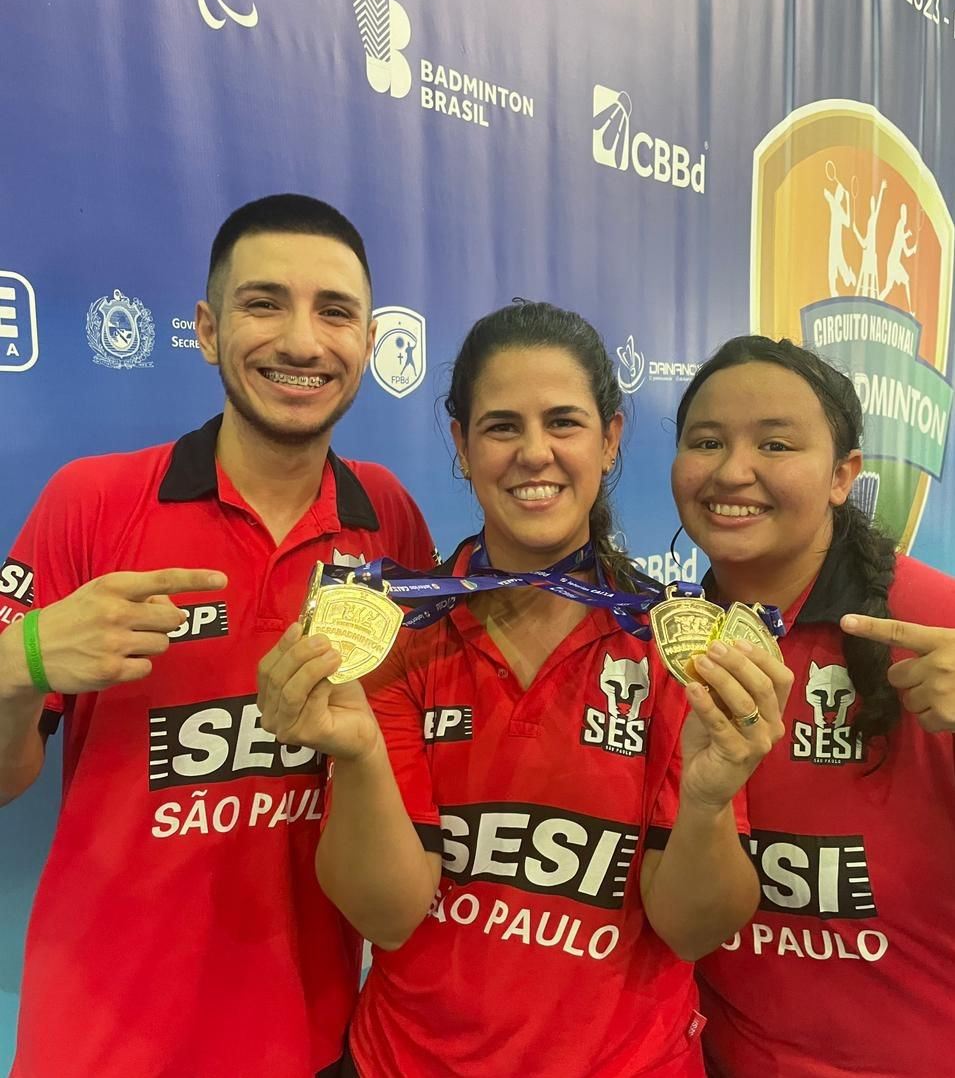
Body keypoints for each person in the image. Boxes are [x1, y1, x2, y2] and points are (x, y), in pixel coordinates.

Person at [257, 302, 793, 1077]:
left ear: (609, 440)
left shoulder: (673, 643)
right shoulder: (396, 632)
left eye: (564, 423)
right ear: (461, 445)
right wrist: (360, 755)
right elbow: (387, 913)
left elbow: (690, 931)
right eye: (501, 426)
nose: (533, 453)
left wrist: (709, 800)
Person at [0, 194, 436, 1078]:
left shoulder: (389, 521)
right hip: (98, 1045)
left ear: (366, 343)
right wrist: (25, 659)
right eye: (263, 302)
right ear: (205, 329)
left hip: (311, 1042)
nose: (303, 342)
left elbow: (400, 782)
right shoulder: (91, 502)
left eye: (335, 312)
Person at [670, 335, 955, 1077]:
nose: (732, 471)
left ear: (841, 475)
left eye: (774, 443)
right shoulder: (666, 641)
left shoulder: (929, 623)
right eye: (706, 441)